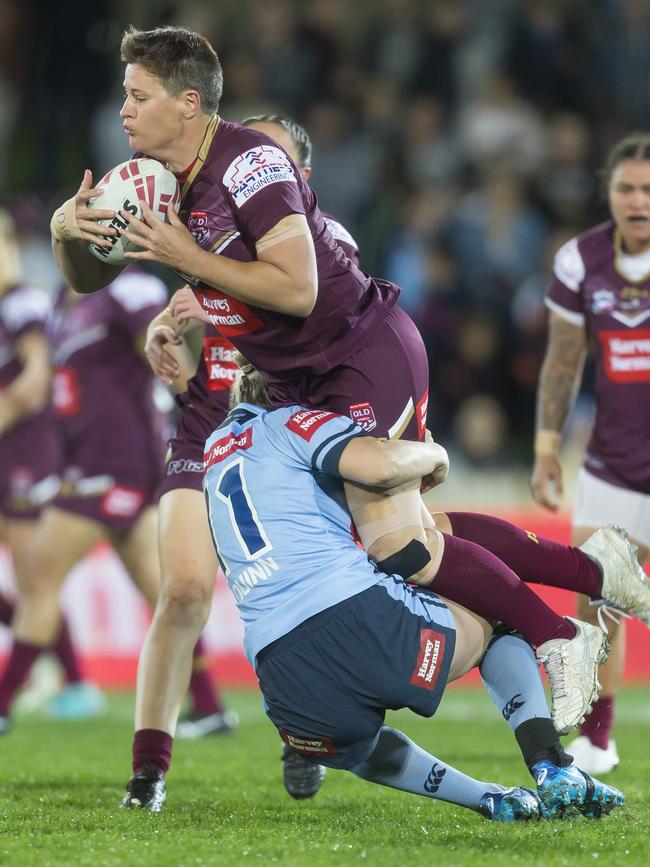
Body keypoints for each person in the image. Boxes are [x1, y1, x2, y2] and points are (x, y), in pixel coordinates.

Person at [47, 26, 621, 802]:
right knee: (414, 536)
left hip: (363, 355)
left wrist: (186, 260)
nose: (123, 111)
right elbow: (89, 274)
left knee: (399, 540)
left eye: (137, 96)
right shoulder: (155, 176)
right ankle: (585, 585)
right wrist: (65, 230)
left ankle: (558, 637)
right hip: (300, 385)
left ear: (188, 104)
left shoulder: (250, 161)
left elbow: (299, 291)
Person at [123, 358, 625, 821]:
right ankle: (551, 766)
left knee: (355, 747)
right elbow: (382, 467)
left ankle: (488, 798)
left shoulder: (213, 451)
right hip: (357, 621)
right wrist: (432, 451)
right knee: (491, 606)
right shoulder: (295, 420)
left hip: (280, 684)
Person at [141, 114, 354, 801]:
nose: (249, 171)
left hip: (289, 442)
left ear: (302, 180)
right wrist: (168, 339)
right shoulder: (204, 228)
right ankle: (149, 769)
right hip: (206, 427)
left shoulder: (328, 248)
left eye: (268, 161)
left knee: (298, 606)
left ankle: (304, 727)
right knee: (182, 590)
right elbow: (183, 323)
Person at [0, 269, 169, 728]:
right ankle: (210, 704)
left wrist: (190, 413)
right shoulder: (61, 299)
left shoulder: (130, 288)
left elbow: (164, 361)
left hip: (115, 466)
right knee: (167, 596)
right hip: (86, 462)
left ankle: (7, 701)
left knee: (38, 575)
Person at [531, 132, 650, 775]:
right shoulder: (581, 259)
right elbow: (563, 359)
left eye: (649, 190)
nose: (638, 201)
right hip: (613, 461)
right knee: (596, 594)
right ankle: (598, 738)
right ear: (609, 191)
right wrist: (547, 448)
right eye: (627, 188)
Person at [0, 209, 100, 724]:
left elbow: (36, 380)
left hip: (26, 453)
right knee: (31, 581)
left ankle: (73, 681)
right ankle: (53, 666)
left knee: (32, 576)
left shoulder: (20, 303)